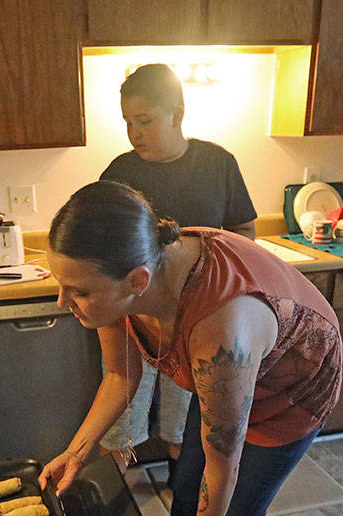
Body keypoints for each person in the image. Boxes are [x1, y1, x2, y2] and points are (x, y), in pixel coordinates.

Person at [39, 181, 343, 516]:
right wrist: (75, 453)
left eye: (77, 291)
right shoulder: (126, 277)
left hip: (291, 390)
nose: (63, 301)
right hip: (232, 377)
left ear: (137, 281)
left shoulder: (220, 330)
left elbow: (224, 464)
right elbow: (121, 375)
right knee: (186, 482)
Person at [99, 63, 257, 476]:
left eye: (145, 121)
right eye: (128, 123)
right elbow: (100, 241)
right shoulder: (120, 173)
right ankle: (118, 486)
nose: (134, 133)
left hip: (199, 313)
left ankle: (180, 480)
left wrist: (223, 286)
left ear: (177, 114)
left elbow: (243, 232)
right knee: (124, 404)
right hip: (134, 312)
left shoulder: (218, 163)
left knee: (186, 408)